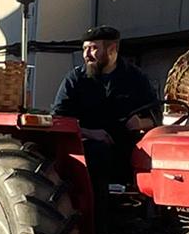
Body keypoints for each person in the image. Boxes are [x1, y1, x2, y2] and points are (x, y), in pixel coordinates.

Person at [52, 26, 160, 197]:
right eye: (85, 49)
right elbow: (59, 120)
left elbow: (156, 118)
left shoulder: (136, 78)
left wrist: (141, 123)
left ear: (112, 49)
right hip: (85, 147)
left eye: (93, 48)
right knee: (98, 152)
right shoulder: (75, 80)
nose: (87, 54)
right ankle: (97, 216)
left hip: (126, 146)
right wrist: (91, 133)